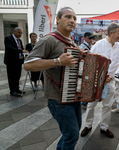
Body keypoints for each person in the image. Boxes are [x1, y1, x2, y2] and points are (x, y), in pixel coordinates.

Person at [24, 7, 81, 150]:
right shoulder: (49, 40)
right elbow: (28, 64)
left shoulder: (72, 43)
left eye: (74, 18)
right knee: (72, 135)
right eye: (68, 17)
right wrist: (58, 61)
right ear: (58, 19)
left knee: (72, 133)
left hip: (73, 96)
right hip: (58, 98)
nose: (72, 21)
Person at [81, 22, 119, 138]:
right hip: (96, 81)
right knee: (91, 105)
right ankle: (87, 125)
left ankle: (104, 127)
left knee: (107, 105)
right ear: (111, 33)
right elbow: (90, 62)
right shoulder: (99, 45)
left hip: (110, 82)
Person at [4, 27, 29, 97]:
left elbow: (22, 48)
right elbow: (9, 48)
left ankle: (17, 88)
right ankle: (12, 91)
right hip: (11, 61)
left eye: (21, 33)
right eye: (19, 32)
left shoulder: (19, 41)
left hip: (19, 61)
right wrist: (21, 51)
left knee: (18, 76)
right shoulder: (8, 39)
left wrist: (25, 52)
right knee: (12, 76)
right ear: (14, 31)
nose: (20, 34)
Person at [79, 32, 94, 109]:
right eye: (89, 38)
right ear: (85, 38)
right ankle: (84, 102)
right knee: (85, 85)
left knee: (88, 85)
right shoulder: (82, 46)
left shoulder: (91, 45)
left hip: (90, 67)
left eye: (91, 38)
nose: (91, 39)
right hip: (84, 68)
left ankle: (86, 101)